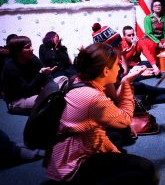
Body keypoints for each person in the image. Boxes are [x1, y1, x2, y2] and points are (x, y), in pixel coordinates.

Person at [44, 43, 158, 183]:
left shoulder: (79, 81)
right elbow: (125, 119)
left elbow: (98, 128)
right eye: (117, 64)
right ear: (105, 71)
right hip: (73, 166)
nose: (119, 68)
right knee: (146, 171)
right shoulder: (92, 96)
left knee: (117, 140)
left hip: (64, 154)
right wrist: (127, 81)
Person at [92, 23, 165, 105]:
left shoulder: (112, 58)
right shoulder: (103, 68)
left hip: (129, 72)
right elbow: (115, 97)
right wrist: (130, 78)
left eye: (133, 34)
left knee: (139, 83)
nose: (120, 45)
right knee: (138, 93)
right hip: (111, 104)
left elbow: (124, 71)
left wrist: (124, 56)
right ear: (109, 49)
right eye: (118, 45)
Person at [1, 36, 56, 115]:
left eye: (31, 45)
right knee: (52, 102)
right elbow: (26, 91)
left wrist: (53, 86)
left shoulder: (33, 58)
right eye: (27, 47)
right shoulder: (10, 68)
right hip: (18, 101)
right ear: (17, 51)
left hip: (35, 93)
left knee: (62, 79)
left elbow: (46, 73)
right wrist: (41, 75)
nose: (32, 48)